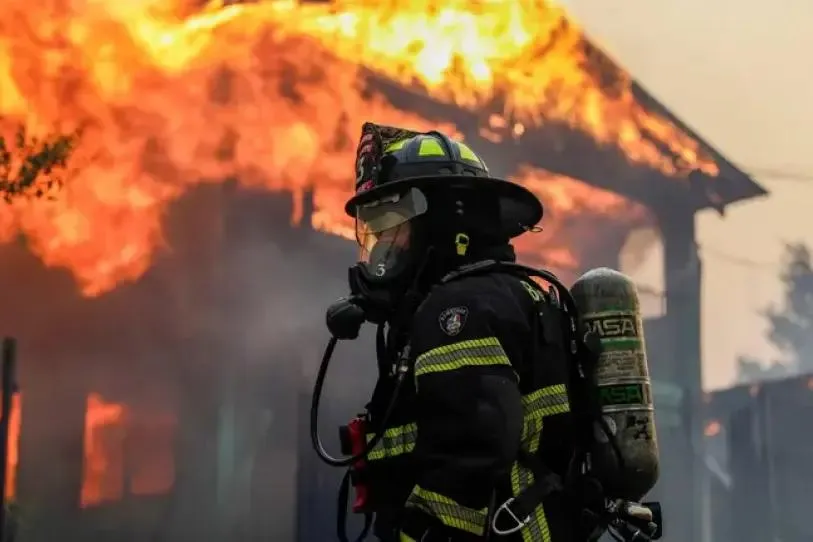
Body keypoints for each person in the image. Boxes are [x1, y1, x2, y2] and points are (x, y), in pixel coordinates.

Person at [338, 122, 584, 542]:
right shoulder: (505, 296)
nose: (381, 249)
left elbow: (471, 452)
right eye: (374, 231)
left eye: (392, 227)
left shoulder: (459, 310)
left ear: (442, 223)